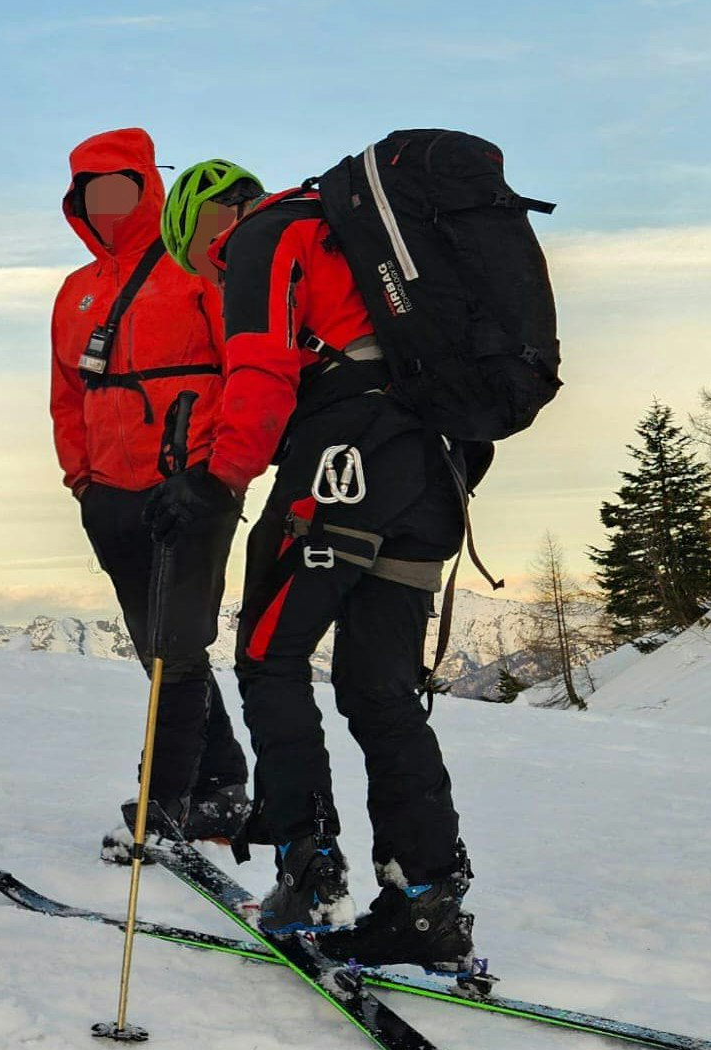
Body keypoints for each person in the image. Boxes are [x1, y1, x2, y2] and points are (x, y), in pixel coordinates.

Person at [147, 160, 479, 972]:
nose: (203, 274)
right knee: (379, 689)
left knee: (268, 655)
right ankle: (424, 901)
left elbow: (260, 370)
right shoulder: (344, 237)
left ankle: (309, 867)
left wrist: (216, 477)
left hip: (344, 454)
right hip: (432, 467)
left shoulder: (260, 240)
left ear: (205, 223)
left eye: (194, 257)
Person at [49, 129, 251, 844]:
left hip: (191, 487)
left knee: (177, 645)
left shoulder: (199, 267)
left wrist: (213, 470)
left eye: (119, 188)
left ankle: (161, 807)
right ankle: (221, 784)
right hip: (109, 495)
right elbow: (67, 394)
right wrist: (81, 479)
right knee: (154, 646)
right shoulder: (75, 291)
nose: (105, 205)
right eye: (90, 192)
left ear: (147, 189)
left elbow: (242, 370)